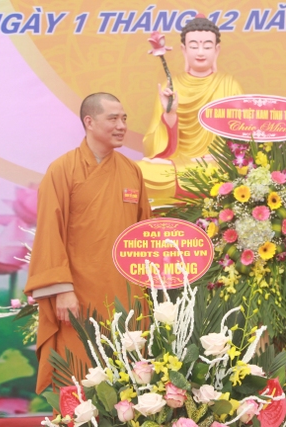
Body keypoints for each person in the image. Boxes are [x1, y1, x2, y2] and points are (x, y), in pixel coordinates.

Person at [25, 92, 152, 394]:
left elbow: (145, 231)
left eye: (124, 119)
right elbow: (49, 232)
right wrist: (62, 290)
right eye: (113, 118)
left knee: (129, 380)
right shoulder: (62, 170)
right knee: (80, 376)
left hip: (126, 294)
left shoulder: (132, 171)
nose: (122, 125)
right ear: (89, 122)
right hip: (78, 295)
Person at [139, 15, 243, 203]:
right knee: (142, 172)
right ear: (184, 50)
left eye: (207, 46)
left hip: (214, 165)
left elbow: (241, 137)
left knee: (234, 173)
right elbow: (151, 145)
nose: (200, 52)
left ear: (217, 50)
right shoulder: (171, 86)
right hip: (177, 165)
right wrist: (169, 115)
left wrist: (220, 157)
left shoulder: (229, 84)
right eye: (194, 46)